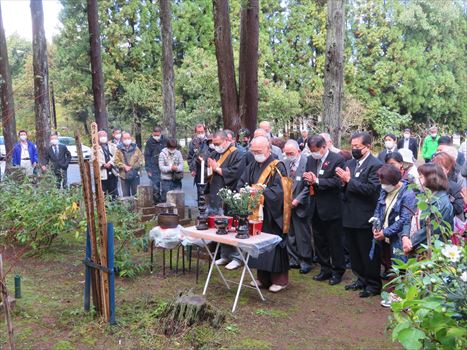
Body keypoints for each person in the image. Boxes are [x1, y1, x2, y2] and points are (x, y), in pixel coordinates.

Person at [237, 136, 289, 293]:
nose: (256, 154)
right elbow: (242, 182)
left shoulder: (278, 166)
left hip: (272, 213)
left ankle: (279, 280)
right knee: (258, 243)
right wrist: (245, 191)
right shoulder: (253, 165)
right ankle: (262, 278)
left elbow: (281, 192)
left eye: (259, 151)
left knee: (273, 244)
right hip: (255, 212)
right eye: (253, 151)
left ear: (268, 148)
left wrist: (260, 192)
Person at [336, 132, 382, 298]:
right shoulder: (350, 163)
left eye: (357, 146)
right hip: (349, 214)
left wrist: (349, 181)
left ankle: (373, 284)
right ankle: (360, 278)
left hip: (365, 216)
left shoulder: (375, 165)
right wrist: (343, 183)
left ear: (368, 146)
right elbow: (346, 187)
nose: (354, 149)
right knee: (353, 251)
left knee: (366, 252)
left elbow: (371, 190)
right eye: (352, 146)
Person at [303, 135, 346, 285]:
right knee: (319, 241)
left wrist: (317, 181)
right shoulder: (310, 159)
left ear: (324, 147)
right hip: (315, 206)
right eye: (311, 150)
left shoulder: (337, 159)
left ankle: (338, 271)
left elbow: (337, 182)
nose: (313, 153)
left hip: (332, 207)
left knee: (335, 241)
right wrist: (307, 179)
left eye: (315, 150)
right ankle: (325, 269)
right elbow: (309, 179)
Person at [372, 164, 416, 307]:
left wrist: (386, 232)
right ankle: (393, 294)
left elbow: (405, 219)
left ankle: (398, 297)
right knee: (388, 263)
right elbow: (378, 208)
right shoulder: (384, 190)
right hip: (384, 235)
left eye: (384, 183)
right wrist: (376, 226)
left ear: (394, 181)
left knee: (398, 266)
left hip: (397, 237)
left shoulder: (407, 193)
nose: (382, 186)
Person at [207, 131, 245, 270]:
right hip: (216, 192)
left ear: (226, 140)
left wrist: (217, 168)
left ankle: (237, 257)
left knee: (233, 225)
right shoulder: (214, 154)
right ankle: (224, 255)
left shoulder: (238, 154)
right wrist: (210, 168)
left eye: (218, 144)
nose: (215, 146)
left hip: (231, 192)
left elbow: (236, 173)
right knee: (220, 224)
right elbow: (209, 172)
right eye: (214, 144)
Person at [401, 164, 454, 254]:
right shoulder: (421, 197)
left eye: (421, 177)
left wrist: (410, 243)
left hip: (430, 252)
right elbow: (409, 218)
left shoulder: (442, 203)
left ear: (431, 179)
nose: (417, 180)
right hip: (415, 248)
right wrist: (405, 236)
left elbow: (431, 230)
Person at [283, 140, 313, 274]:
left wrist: (297, 200)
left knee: (303, 235)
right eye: (287, 153)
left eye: (291, 153)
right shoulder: (284, 163)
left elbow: (308, 187)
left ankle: (305, 261)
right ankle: (293, 259)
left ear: (298, 151)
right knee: (290, 234)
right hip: (287, 205)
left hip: (302, 205)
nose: (289, 155)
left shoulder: (307, 162)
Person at [431, 152, 464, 220]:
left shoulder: (455, 187)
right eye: (434, 168)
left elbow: (459, 208)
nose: (436, 171)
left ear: (447, 169)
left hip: (448, 222)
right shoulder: (429, 184)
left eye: (440, 168)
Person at [115, 132, 143, 197]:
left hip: (135, 174)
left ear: (131, 138)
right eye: (125, 138)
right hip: (123, 176)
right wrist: (124, 166)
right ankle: (127, 207)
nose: (127, 140)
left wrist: (131, 167)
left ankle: (136, 207)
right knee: (126, 196)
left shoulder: (136, 148)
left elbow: (141, 160)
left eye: (128, 138)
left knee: (136, 195)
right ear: (122, 139)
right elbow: (116, 161)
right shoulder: (118, 149)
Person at [93, 130, 119, 199]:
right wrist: (103, 164)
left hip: (112, 172)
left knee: (114, 192)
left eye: (104, 136)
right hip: (102, 174)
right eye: (101, 136)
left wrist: (110, 163)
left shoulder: (112, 146)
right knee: (103, 194)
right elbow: (93, 159)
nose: (103, 137)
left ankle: (115, 205)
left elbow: (117, 155)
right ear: (98, 137)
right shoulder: (94, 148)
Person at [144, 126, 167, 203]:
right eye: (155, 135)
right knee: (155, 187)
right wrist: (148, 169)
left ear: (160, 133)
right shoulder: (149, 142)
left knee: (165, 186)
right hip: (153, 167)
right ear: (153, 133)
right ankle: (156, 203)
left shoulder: (165, 141)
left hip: (164, 167)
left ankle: (164, 202)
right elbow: (147, 156)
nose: (156, 137)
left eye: (158, 135)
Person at [158, 138, 184, 202]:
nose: (173, 150)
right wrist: (170, 168)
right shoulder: (162, 154)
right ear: (168, 147)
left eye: (174, 148)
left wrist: (177, 168)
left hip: (176, 179)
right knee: (166, 199)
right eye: (171, 148)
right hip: (166, 180)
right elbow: (161, 167)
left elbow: (181, 165)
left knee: (177, 199)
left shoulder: (178, 153)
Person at [187, 124, 210, 188]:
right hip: (198, 170)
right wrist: (192, 169)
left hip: (208, 168)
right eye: (198, 132)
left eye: (202, 132)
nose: (200, 134)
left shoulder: (210, 140)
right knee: (200, 190)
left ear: (205, 131)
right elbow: (190, 157)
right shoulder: (192, 143)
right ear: (195, 132)